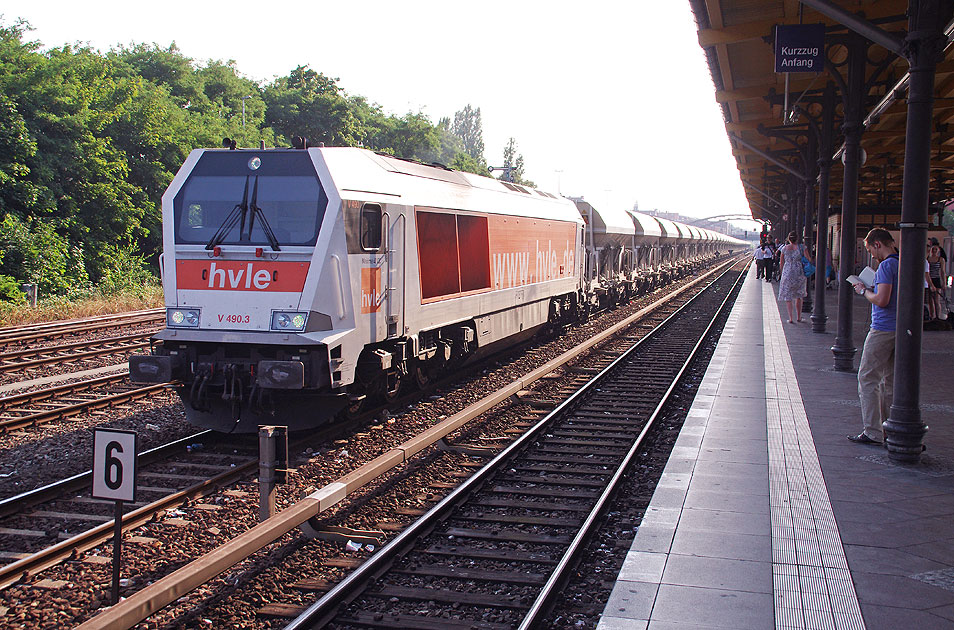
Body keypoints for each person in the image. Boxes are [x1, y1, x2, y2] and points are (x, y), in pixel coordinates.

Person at [848, 228, 898, 445]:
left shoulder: (887, 265)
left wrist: (863, 291)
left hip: (883, 328)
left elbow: (882, 300)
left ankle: (873, 431)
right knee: (890, 381)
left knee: (868, 377)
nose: (872, 255)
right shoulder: (904, 262)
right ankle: (890, 429)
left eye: (870, 249)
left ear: (878, 244)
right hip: (901, 328)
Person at [777, 231, 809, 323]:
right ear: (797, 238)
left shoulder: (784, 248)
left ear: (789, 239)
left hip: (787, 272)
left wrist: (782, 272)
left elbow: (781, 262)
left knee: (788, 296)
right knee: (799, 295)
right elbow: (808, 259)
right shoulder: (803, 248)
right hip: (799, 273)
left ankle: (790, 318)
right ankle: (799, 317)